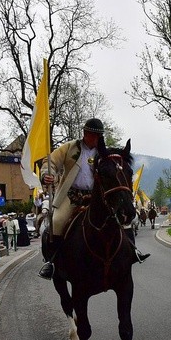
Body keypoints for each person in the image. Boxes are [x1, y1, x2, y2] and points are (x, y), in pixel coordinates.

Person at [36, 118, 107, 278]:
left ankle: (127, 254)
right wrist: (48, 174)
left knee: (116, 219)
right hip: (72, 195)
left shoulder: (103, 152)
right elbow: (51, 162)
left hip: (96, 197)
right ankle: (53, 262)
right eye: (93, 135)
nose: (96, 139)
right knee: (57, 221)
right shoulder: (70, 147)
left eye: (99, 136)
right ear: (85, 133)